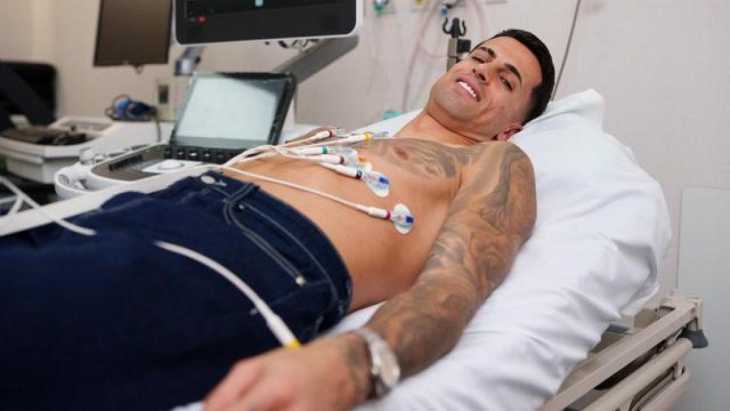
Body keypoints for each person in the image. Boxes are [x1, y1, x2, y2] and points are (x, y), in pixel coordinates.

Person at [0, 29, 554, 411]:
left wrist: (360, 361)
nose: (483, 71)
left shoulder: (497, 160)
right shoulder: (355, 135)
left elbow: (457, 281)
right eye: (480, 56)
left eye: (506, 80)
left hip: (254, 250)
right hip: (159, 207)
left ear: (513, 127)